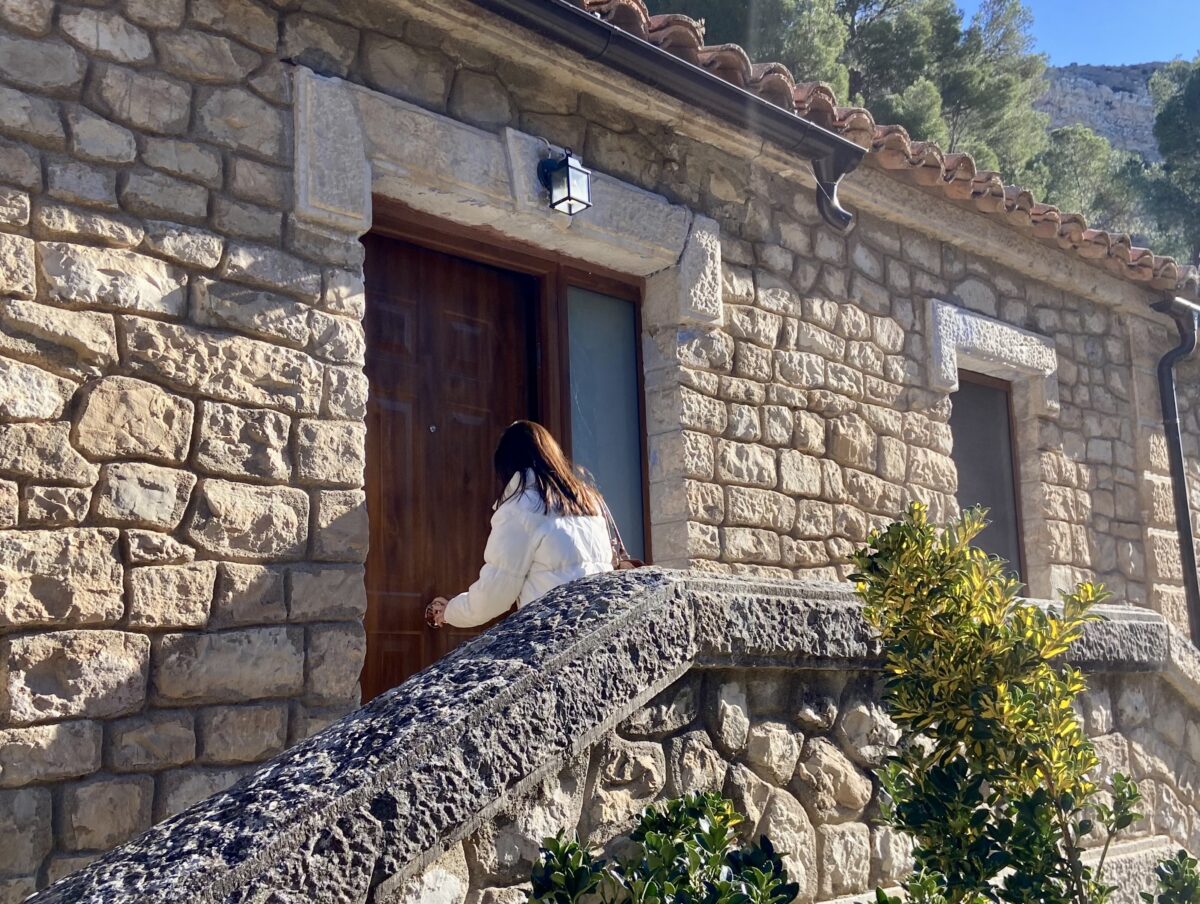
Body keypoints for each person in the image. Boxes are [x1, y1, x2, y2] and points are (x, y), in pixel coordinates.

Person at [424, 420, 614, 629]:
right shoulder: (588, 502)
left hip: (553, 633)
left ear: (508, 465)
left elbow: (495, 593)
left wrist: (451, 611)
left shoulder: (524, 506)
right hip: (596, 631)